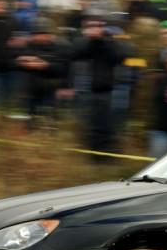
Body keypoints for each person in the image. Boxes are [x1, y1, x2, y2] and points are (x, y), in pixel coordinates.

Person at [70, 17, 127, 153]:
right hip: (83, 90)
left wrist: (102, 39)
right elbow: (75, 54)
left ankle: (106, 154)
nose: (94, 29)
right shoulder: (81, 42)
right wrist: (89, 39)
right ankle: (89, 154)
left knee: (105, 124)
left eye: (98, 26)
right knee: (86, 123)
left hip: (104, 90)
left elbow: (120, 56)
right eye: (90, 27)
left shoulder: (110, 42)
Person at [14, 18, 70, 118]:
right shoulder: (30, 45)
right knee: (32, 118)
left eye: (39, 34)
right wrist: (22, 62)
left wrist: (46, 65)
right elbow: (17, 63)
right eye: (34, 34)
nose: (36, 37)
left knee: (49, 118)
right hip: (33, 89)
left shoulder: (62, 46)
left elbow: (64, 68)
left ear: (48, 34)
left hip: (52, 90)